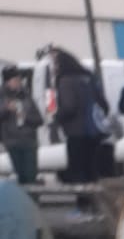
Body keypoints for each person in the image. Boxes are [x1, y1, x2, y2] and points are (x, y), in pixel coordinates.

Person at [53, 49, 105, 184]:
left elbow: (69, 107)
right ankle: (95, 200)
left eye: (55, 64)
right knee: (92, 170)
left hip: (76, 132)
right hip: (94, 131)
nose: (54, 68)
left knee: (77, 172)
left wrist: (57, 117)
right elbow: (104, 104)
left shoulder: (65, 81)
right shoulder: (88, 77)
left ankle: (83, 202)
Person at [0, 65, 42, 185]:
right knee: (21, 176)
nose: (18, 83)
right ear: (7, 82)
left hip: (29, 141)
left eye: (19, 80)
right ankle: (24, 200)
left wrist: (26, 117)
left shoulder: (26, 96)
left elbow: (39, 120)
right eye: (15, 80)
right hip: (12, 141)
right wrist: (6, 109)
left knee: (30, 176)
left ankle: (33, 200)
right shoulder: (2, 97)